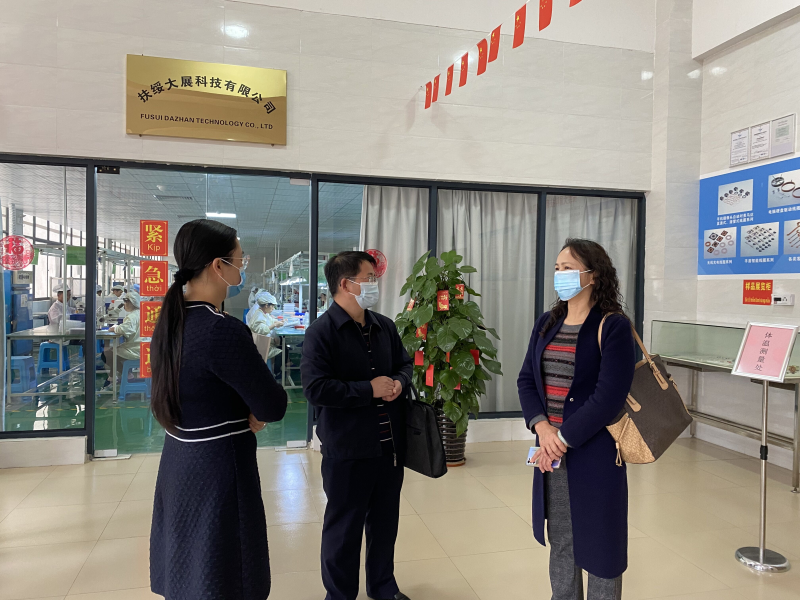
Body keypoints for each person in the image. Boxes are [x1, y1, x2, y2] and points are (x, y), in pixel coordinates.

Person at [149, 219, 287, 600]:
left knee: (188, 560)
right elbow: (273, 404)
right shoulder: (221, 329)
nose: (242, 268)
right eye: (240, 261)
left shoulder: (170, 322)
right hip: (219, 467)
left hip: (179, 459)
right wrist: (254, 410)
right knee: (226, 568)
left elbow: (196, 390)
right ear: (218, 266)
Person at [517, 239, 635, 600]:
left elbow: (608, 397)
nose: (559, 275)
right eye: (557, 268)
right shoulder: (548, 322)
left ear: (593, 275)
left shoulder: (613, 326)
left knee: (601, 545)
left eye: (567, 268)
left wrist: (562, 438)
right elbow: (526, 380)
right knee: (562, 540)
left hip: (595, 453)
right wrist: (542, 427)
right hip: (551, 452)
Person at [301, 251, 413, 600]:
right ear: (346, 284)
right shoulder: (321, 333)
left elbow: (405, 364)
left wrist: (399, 382)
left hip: (388, 446)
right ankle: (339, 595)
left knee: (384, 524)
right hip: (347, 449)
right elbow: (316, 389)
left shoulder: (385, 326)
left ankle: (383, 588)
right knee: (343, 530)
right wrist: (369, 390)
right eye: (369, 278)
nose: (375, 284)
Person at [102, 291, 141, 385]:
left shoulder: (132, 316)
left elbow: (125, 329)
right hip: (143, 348)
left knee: (106, 355)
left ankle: (128, 376)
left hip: (135, 349)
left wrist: (114, 328)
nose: (124, 304)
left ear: (132, 302)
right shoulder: (142, 313)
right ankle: (111, 378)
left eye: (126, 302)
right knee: (113, 352)